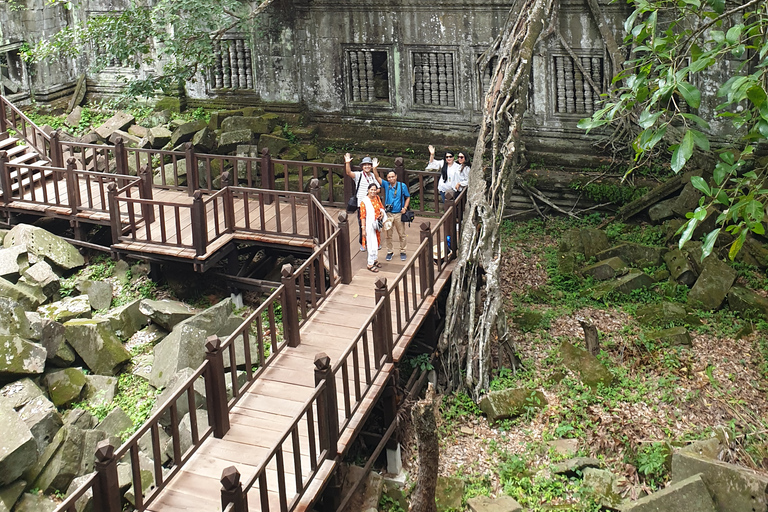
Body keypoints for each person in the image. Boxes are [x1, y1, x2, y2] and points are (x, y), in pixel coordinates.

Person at [345, 153, 381, 251]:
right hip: (362, 204)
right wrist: (347, 163)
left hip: (373, 204)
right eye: (365, 165)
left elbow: (378, 189)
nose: (367, 166)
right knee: (362, 224)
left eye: (369, 164)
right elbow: (348, 173)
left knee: (374, 223)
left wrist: (373, 192)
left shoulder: (373, 176)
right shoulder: (359, 175)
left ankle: (375, 241)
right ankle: (363, 242)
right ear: (362, 166)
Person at [381, 170, 411, 261]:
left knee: (401, 233)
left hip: (398, 213)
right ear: (387, 178)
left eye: (392, 176)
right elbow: (378, 178)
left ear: (396, 176)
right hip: (388, 213)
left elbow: (408, 197)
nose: (391, 178)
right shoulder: (387, 185)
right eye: (389, 177)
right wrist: (374, 169)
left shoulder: (402, 186)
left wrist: (405, 208)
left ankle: (403, 251)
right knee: (388, 234)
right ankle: (390, 251)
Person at [359, 183, 386, 272]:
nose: (373, 191)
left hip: (376, 224)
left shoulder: (377, 198)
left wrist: (381, 214)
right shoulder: (364, 202)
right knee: (371, 244)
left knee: (377, 242)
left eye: (375, 190)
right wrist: (363, 229)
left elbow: (381, 208)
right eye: (371, 190)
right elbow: (363, 216)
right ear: (368, 190)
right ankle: (370, 263)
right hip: (369, 226)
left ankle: (374, 259)